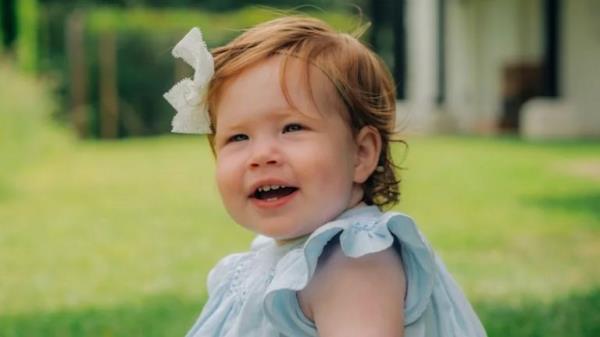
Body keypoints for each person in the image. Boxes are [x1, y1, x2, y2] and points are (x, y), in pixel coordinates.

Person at [164, 16, 487, 337]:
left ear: (361, 154)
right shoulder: (286, 256)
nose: (261, 156)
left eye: (292, 128)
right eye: (238, 138)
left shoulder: (354, 262)